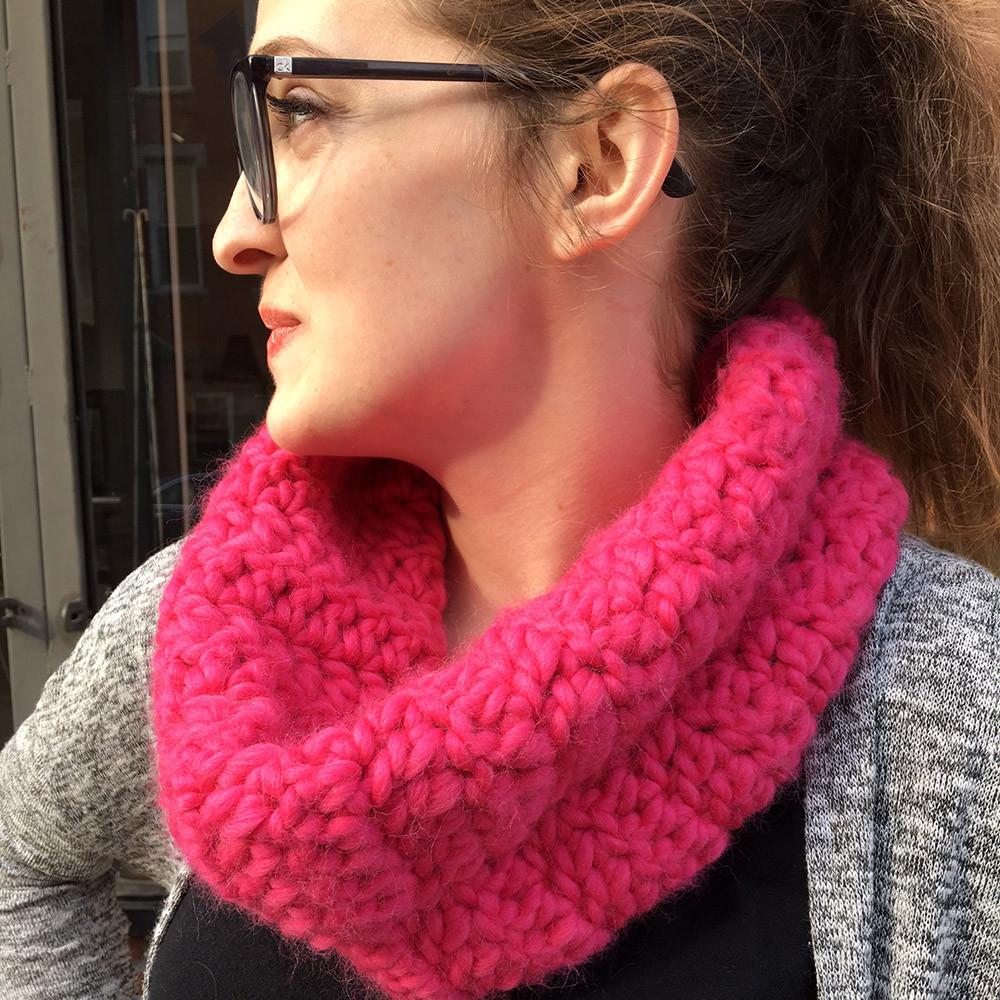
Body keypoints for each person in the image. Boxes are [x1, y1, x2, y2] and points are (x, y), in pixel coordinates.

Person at [1, 1, 998, 998]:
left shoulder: (950, 706)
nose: (234, 233)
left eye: (298, 109)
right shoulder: (215, 631)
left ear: (599, 164)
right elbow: (25, 860)